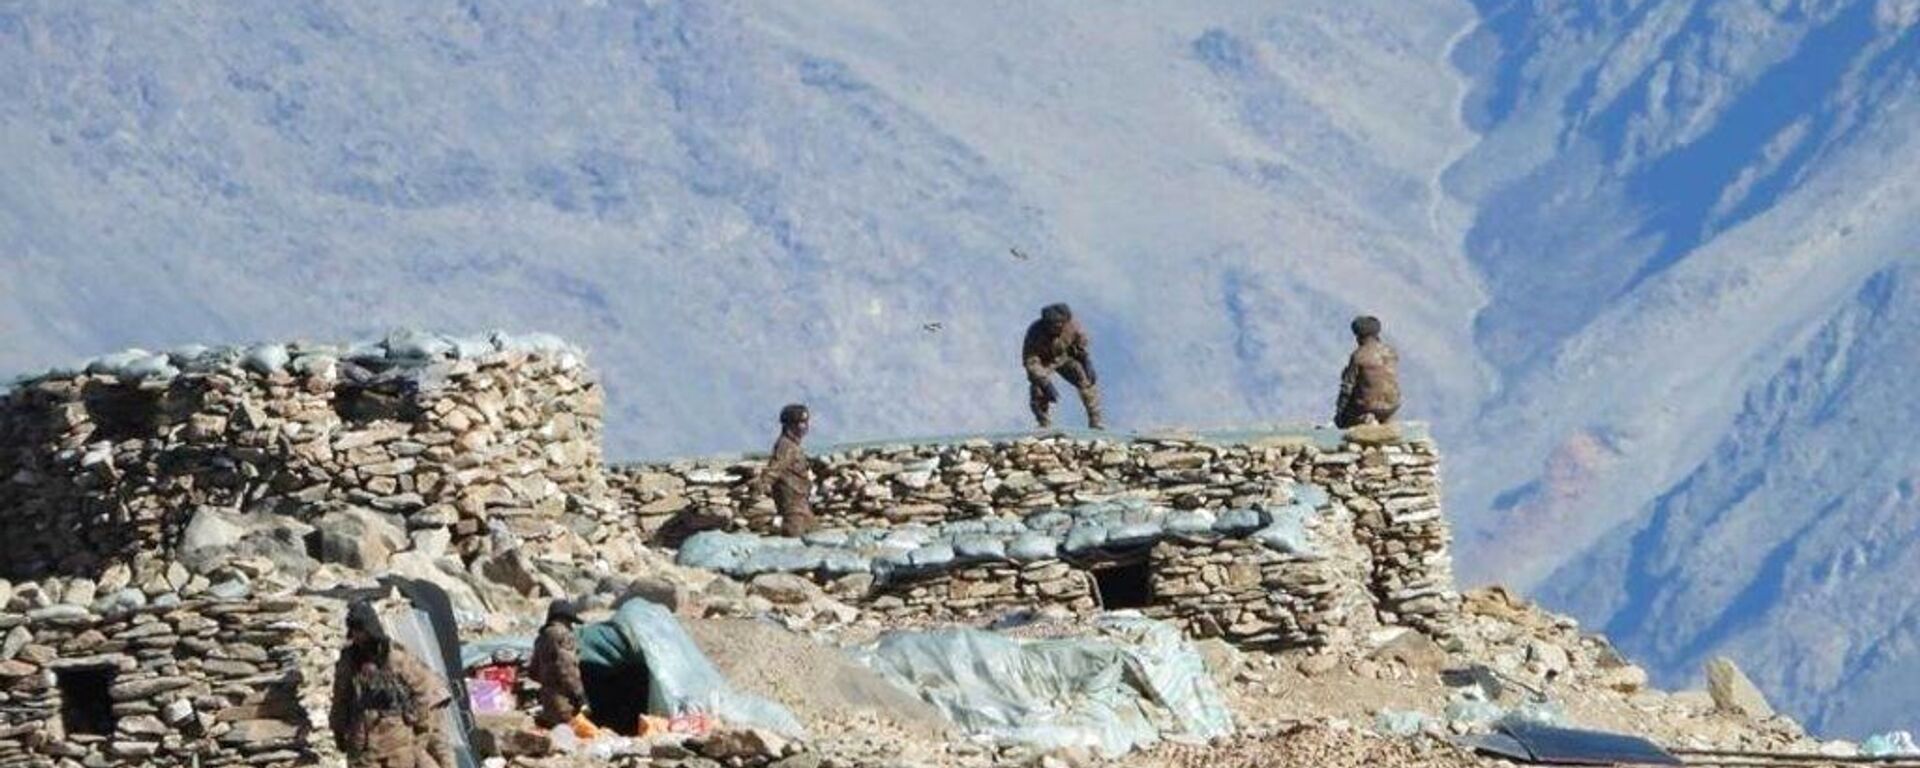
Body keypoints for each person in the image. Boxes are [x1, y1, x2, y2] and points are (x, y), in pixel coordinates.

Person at [328, 600, 455, 768]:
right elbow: (341, 697)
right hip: (363, 742)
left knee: (440, 753)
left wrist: (419, 727)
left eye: (361, 631)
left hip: (397, 739)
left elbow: (422, 692)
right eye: (355, 631)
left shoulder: (395, 657)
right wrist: (338, 729)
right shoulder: (349, 660)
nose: (358, 637)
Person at [1022, 303, 1104, 429]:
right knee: (1037, 389)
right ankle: (1044, 424)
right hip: (1044, 362)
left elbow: (1080, 344)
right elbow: (1031, 361)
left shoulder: (1073, 326)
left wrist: (1086, 361)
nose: (1059, 326)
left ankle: (1096, 421)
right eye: (1054, 324)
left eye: (1061, 323)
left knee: (1085, 380)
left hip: (1064, 358)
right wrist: (1044, 382)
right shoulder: (1034, 333)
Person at [528, 599, 587, 729]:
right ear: (564, 618)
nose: (571, 626)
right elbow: (568, 668)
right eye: (570, 622)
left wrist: (548, 679)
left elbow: (532, 671)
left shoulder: (541, 637)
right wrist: (580, 695)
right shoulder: (563, 635)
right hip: (565, 703)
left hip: (548, 703)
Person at [759, 403, 816, 537]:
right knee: (794, 540)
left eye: (806, 422)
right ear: (790, 425)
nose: (805, 427)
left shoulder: (794, 446)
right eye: (801, 422)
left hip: (802, 505)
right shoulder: (786, 446)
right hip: (792, 507)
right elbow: (774, 470)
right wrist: (759, 487)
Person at [1334, 315, 1401, 428]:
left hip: (1368, 407)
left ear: (1358, 337)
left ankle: (1364, 420)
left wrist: (1340, 413)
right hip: (1392, 406)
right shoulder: (1391, 352)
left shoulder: (1359, 356)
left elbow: (1347, 388)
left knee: (1345, 417)